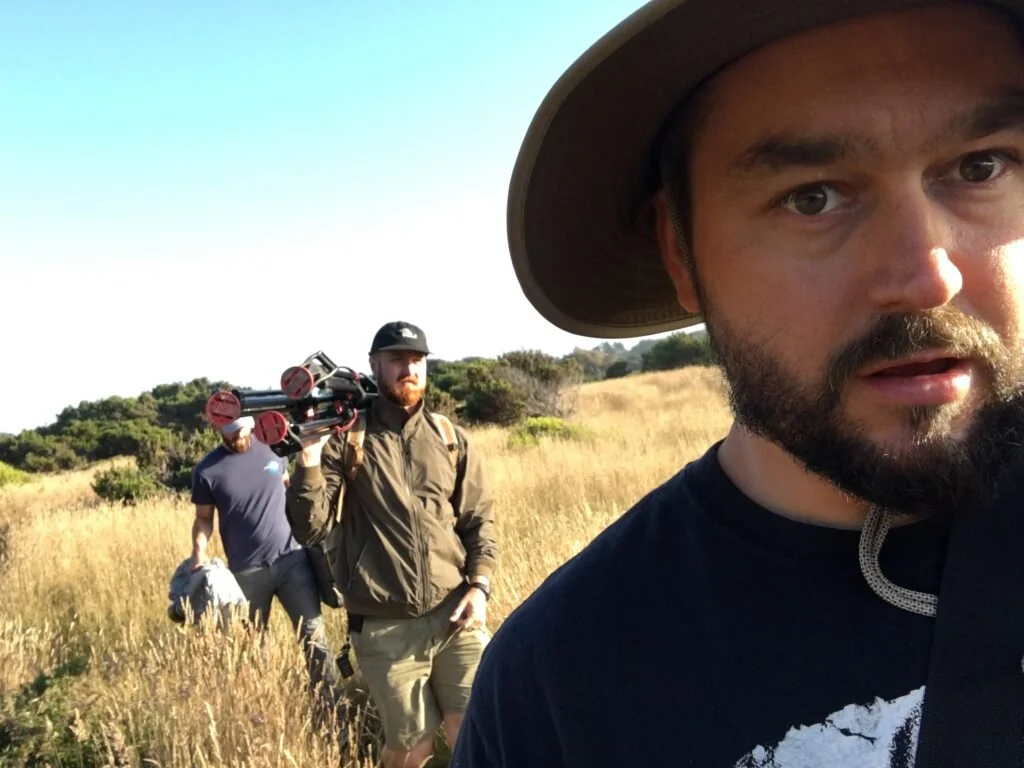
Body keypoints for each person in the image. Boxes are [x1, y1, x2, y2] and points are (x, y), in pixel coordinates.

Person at [450, 1, 1024, 766]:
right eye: (813, 197)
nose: (928, 277)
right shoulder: (559, 684)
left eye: (981, 167)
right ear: (679, 251)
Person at [285, 320, 498, 768]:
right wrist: (308, 457)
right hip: (386, 625)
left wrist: (479, 586)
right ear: (374, 365)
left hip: (455, 612)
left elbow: (479, 520)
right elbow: (310, 529)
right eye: (397, 359)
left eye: (417, 360)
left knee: (475, 728)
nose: (409, 369)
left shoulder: (449, 437)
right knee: (411, 747)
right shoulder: (348, 440)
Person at [190, 415, 346, 734]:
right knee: (253, 650)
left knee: (315, 640)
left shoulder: (274, 450)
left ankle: (334, 720)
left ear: (251, 424)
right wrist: (199, 553)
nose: (238, 438)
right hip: (246, 574)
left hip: (293, 562)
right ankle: (264, 724)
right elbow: (204, 518)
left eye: (242, 431)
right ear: (217, 430)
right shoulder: (207, 471)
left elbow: (289, 488)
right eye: (231, 433)